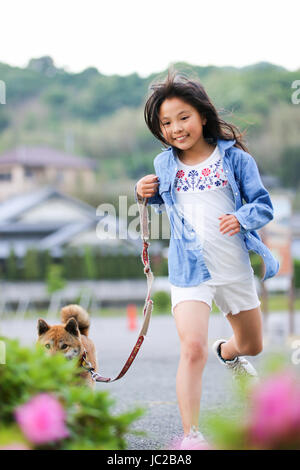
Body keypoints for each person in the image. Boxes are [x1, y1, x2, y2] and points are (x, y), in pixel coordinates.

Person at [135, 68, 279, 449]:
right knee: (192, 348)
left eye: (183, 117)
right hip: (189, 271)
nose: (176, 128)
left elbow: (264, 206)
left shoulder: (234, 159)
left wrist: (242, 217)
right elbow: (163, 200)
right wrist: (142, 191)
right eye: (166, 122)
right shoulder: (164, 165)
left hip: (232, 267)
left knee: (252, 346)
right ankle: (191, 437)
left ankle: (227, 353)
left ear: (202, 115)